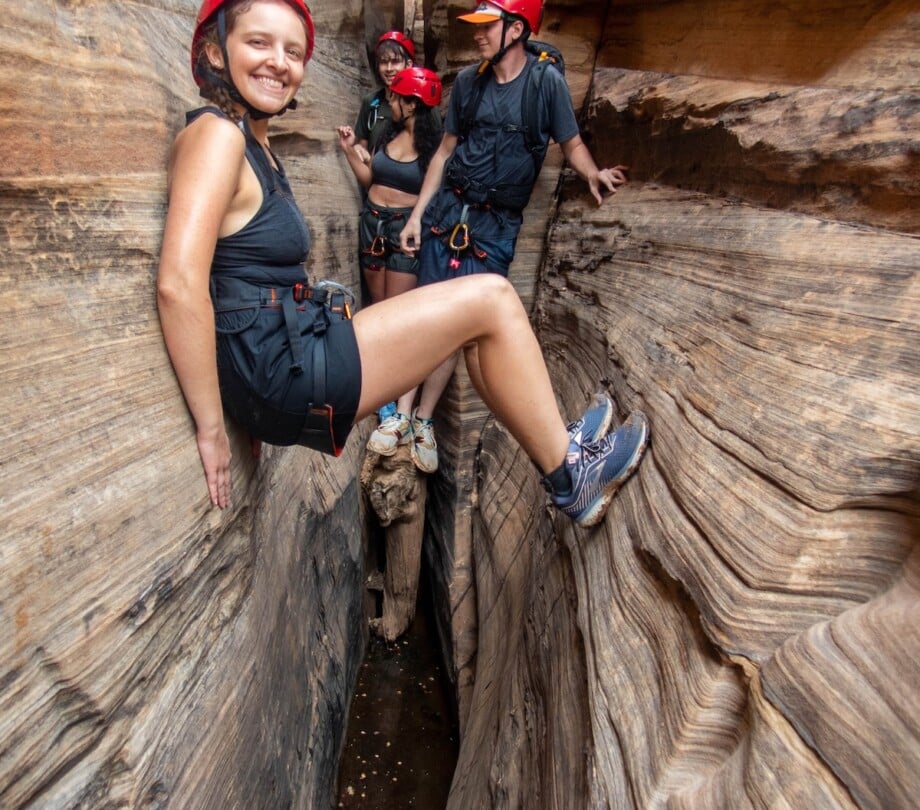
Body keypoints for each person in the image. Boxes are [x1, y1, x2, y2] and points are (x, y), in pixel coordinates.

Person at [157, 0, 650, 529]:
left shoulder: (252, 142)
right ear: (214, 49)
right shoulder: (218, 136)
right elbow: (180, 285)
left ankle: (559, 445)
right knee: (493, 299)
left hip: (286, 356)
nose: (280, 61)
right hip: (283, 369)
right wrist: (216, 424)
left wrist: (246, 393)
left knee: (478, 325)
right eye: (259, 42)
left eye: (293, 50)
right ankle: (573, 478)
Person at [398, 0, 630, 460]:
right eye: (477, 26)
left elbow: (572, 142)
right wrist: (416, 215)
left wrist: (591, 173)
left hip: (493, 227)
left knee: (464, 332)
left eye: (488, 26)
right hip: (449, 212)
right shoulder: (467, 83)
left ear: (517, 28)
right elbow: (445, 153)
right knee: (423, 312)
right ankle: (399, 419)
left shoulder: (546, 84)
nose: (477, 35)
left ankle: (422, 419)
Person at [337, 67, 444, 471]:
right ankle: (383, 398)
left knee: (399, 317)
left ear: (411, 104)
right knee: (377, 306)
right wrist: (351, 150)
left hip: (403, 231)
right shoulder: (385, 136)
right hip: (373, 223)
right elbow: (369, 180)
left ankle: (399, 408)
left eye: (396, 97)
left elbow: (433, 194)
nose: (389, 102)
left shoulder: (433, 149)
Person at [352, 31, 418, 159]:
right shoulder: (371, 102)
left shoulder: (422, 104)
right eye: (383, 62)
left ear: (408, 64)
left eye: (395, 61)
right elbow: (363, 147)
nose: (389, 68)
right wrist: (356, 150)